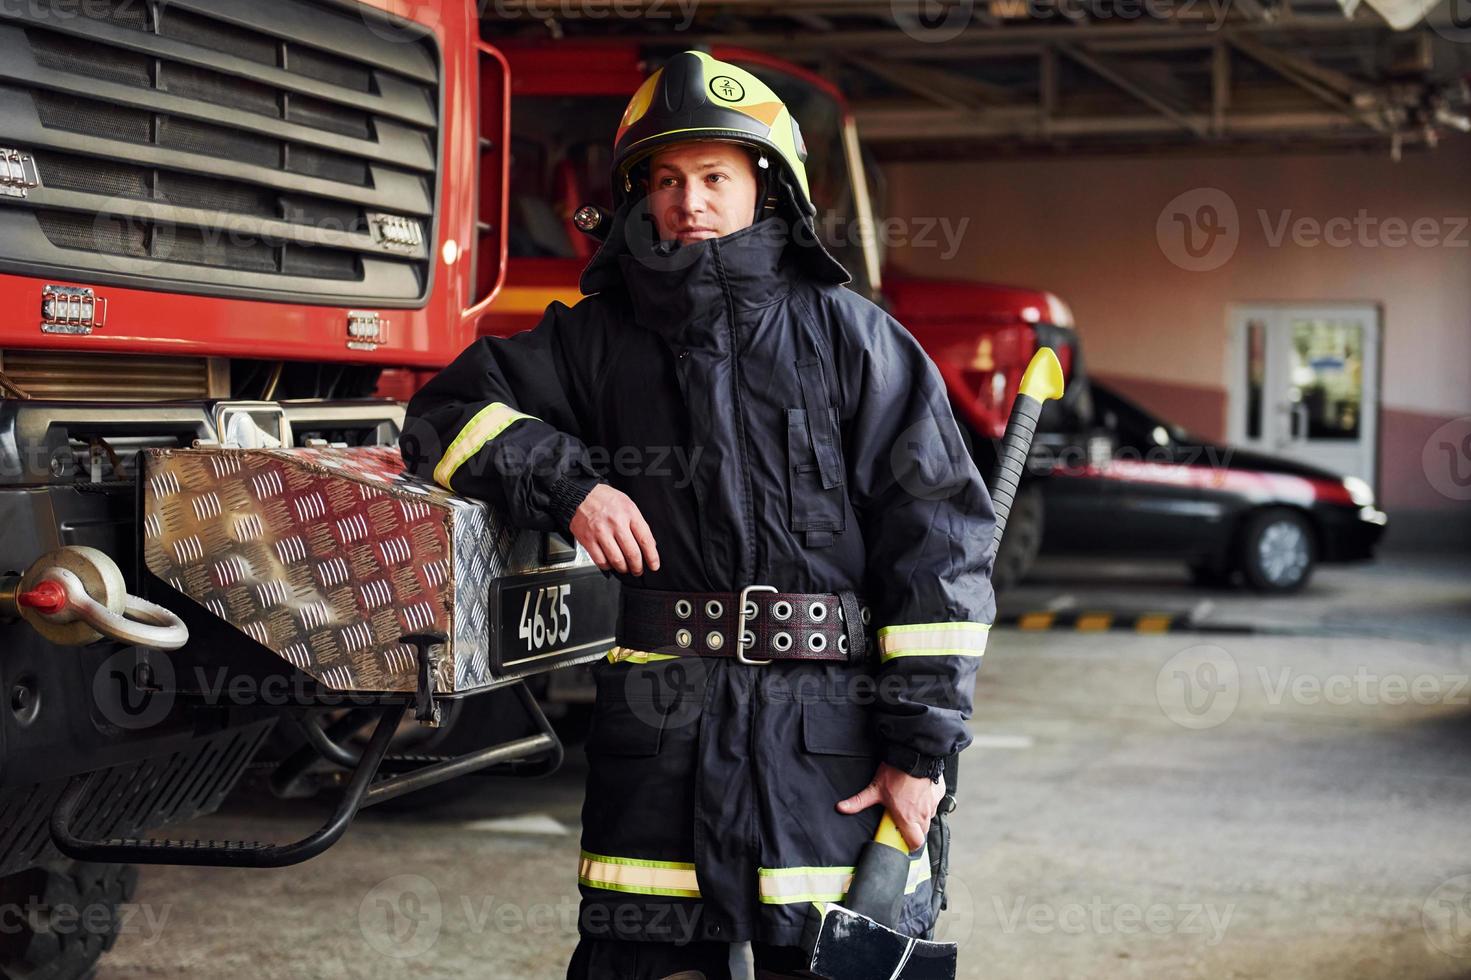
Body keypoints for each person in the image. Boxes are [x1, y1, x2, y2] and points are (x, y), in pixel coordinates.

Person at [401, 50, 996, 980]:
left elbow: (938, 555)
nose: (691, 201)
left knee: (832, 962)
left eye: (716, 176)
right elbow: (444, 414)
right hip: (662, 746)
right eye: (667, 180)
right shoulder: (594, 339)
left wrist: (922, 755)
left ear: (767, 188)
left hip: (827, 750)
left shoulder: (857, 340)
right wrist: (571, 487)